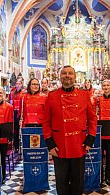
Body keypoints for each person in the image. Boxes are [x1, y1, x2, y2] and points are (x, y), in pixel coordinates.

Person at [42, 66, 97, 195]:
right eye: (64, 73)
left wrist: (90, 139)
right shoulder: (52, 95)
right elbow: (45, 122)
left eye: (70, 73)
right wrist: (50, 144)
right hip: (59, 146)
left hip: (79, 145)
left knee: (78, 183)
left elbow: (92, 119)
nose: (67, 76)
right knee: (61, 183)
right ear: (60, 77)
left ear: (75, 77)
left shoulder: (84, 95)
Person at [96, 80, 110, 184]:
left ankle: (108, 177)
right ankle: (100, 177)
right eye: (104, 85)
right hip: (101, 131)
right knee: (99, 156)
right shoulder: (98, 100)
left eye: (107, 85)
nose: (105, 87)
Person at [9, 78, 26, 153]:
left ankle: (22, 147)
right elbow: (10, 103)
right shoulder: (12, 93)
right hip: (14, 113)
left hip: (20, 112)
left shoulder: (24, 93)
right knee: (15, 131)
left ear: (21, 84)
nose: (18, 85)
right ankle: (16, 147)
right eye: (17, 84)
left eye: (19, 84)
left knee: (21, 130)